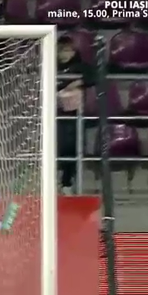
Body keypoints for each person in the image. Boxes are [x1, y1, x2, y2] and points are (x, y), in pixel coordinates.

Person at [56, 35, 94, 195]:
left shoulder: (80, 66)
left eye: (68, 51)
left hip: (73, 115)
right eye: (61, 51)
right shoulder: (51, 65)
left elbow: (94, 76)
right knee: (57, 148)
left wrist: (76, 83)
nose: (64, 55)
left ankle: (67, 182)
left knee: (71, 148)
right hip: (53, 114)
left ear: (74, 51)